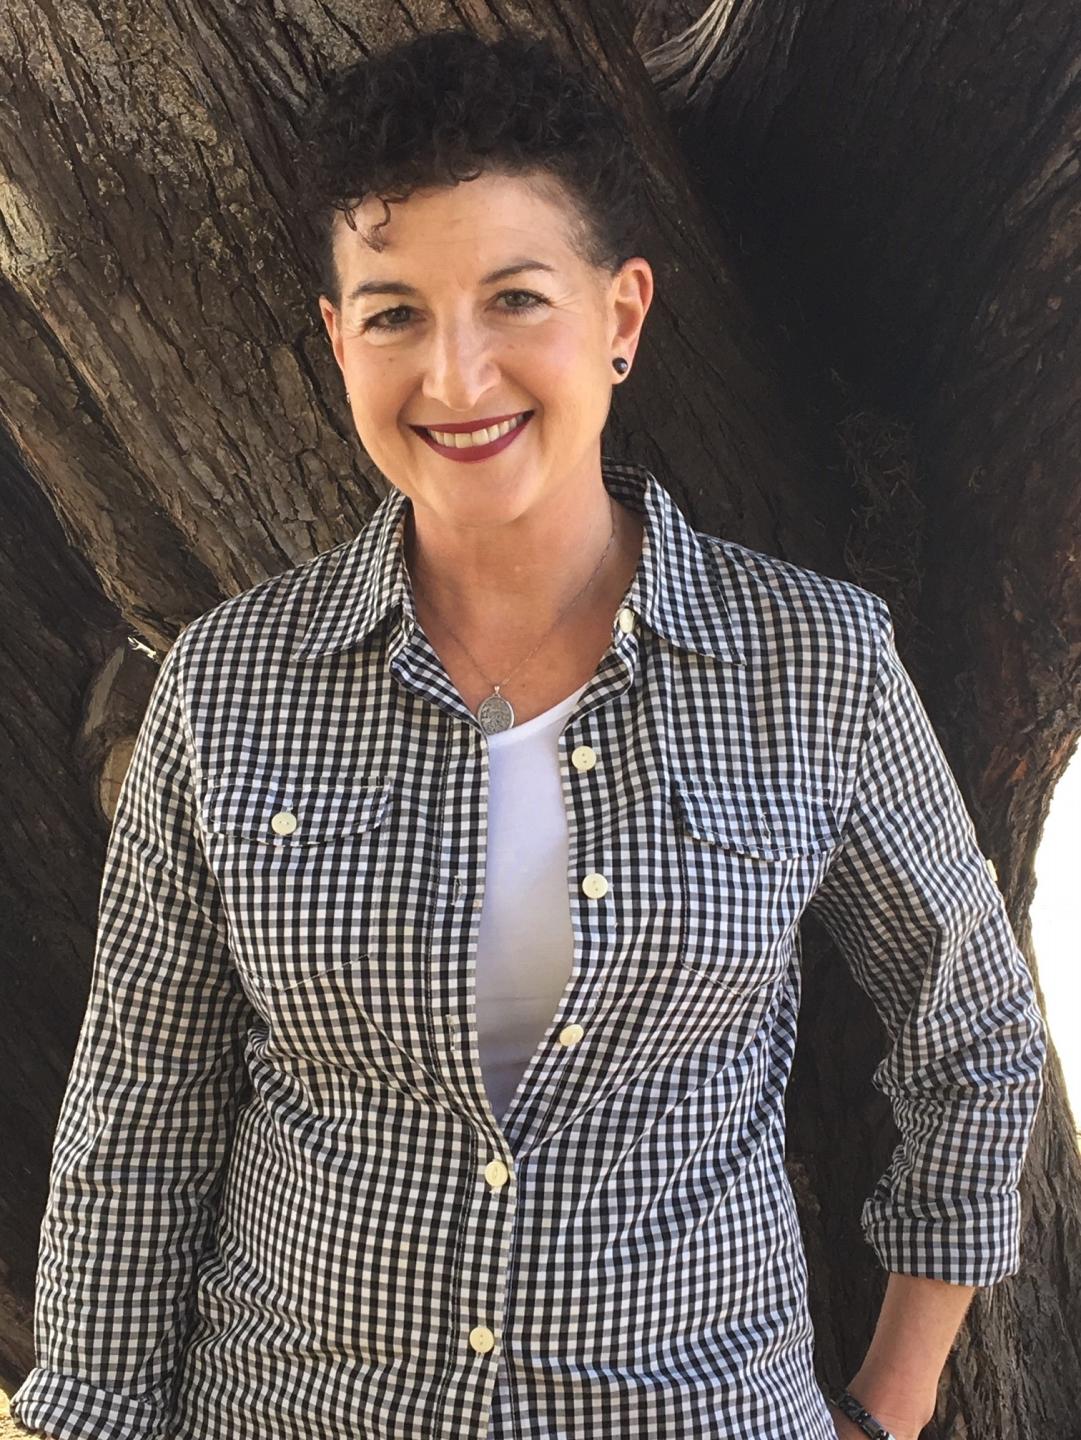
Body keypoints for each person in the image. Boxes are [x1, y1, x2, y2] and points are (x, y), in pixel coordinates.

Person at [10, 27, 1046, 1440]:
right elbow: (138, 1120)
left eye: (513, 298)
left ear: (619, 317)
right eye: (393, 313)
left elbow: (972, 1033)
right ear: (335, 338)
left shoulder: (813, 665)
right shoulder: (230, 686)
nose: (455, 374)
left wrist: (890, 1401)